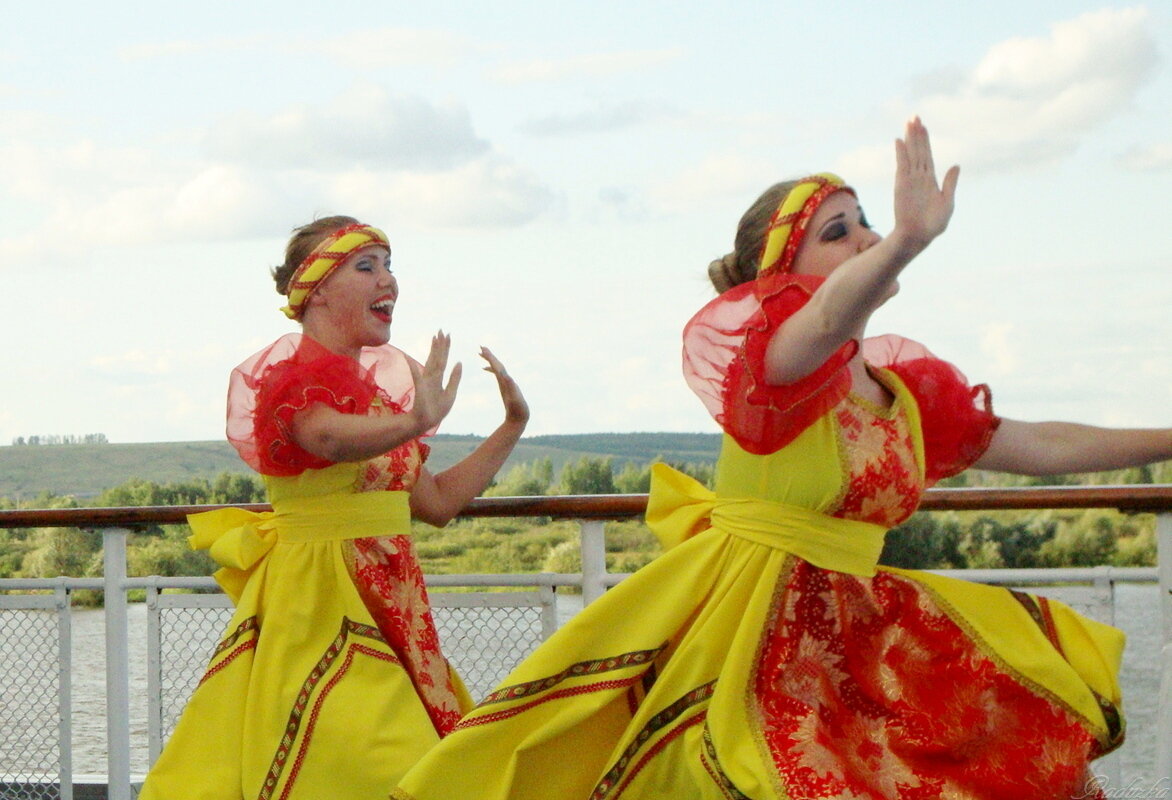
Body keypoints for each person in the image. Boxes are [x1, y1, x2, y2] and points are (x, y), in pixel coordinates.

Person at [392, 118, 1172, 800]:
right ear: (780, 279)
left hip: (860, 635)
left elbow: (1041, 445)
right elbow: (829, 316)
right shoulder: (777, 364)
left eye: (866, 224)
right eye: (839, 233)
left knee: (998, 735)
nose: (866, 239)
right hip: (752, 632)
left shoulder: (903, 392)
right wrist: (907, 239)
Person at [138, 216, 528, 800]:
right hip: (321, 598)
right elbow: (323, 438)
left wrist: (513, 425)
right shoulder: (291, 381)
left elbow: (438, 503)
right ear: (317, 288)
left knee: (401, 758)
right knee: (375, 758)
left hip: (392, 599)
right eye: (366, 267)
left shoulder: (374, 400)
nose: (388, 281)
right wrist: (416, 421)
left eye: (390, 266)